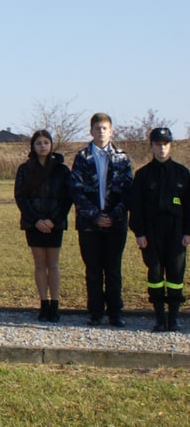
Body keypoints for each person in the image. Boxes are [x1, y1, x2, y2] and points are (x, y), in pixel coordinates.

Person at [69, 113, 134, 327]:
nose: (101, 132)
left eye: (105, 128)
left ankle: (115, 312)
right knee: (93, 270)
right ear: (91, 131)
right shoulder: (81, 157)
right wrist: (95, 216)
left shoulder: (122, 158)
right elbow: (76, 191)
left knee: (113, 269)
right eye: (97, 128)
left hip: (115, 224)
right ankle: (96, 313)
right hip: (89, 225)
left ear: (111, 131)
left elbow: (128, 191)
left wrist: (113, 216)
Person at [130, 128, 190, 332]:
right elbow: (136, 207)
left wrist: (188, 232)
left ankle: (173, 317)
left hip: (176, 231)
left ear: (170, 145)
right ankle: (158, 316)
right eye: (158, 144)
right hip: (151, 230)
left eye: (165, 144)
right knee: (155, 273)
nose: (162, 148)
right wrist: (139, 233)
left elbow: (189, 205)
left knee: (175, 273)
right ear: (152, 146)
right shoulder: (143, 174)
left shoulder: (182, 173)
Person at [14, 130, 72, 323]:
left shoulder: (61, 170)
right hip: (34, 224)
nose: (42, 146)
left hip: (54, 224)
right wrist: (36, 220)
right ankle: (43, 303)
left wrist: (53, 220)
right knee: (39, 264)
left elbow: (67, 198)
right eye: (39, 143)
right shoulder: (25, 169)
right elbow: (20, 197)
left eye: (46, 142)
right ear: (33, 146)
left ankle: (55, 304)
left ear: (51, 145)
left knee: (53, 265)